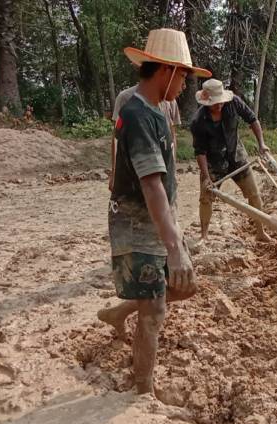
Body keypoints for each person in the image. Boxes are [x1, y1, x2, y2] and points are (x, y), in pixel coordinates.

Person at [96, 28, 210, 399]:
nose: (186, 86)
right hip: (137, 222)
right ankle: (142, 391)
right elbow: (150, 185)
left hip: (157, 220)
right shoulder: (136, 114)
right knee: (156, 310)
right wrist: (175, 245)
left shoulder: (156, 111)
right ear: (166, 71)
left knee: (184, 286)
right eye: (184, 78)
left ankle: (119, 312)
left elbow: (162, 182)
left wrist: (174, 232)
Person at [190, 78, 271, 242]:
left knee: (254, 194)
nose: (219, 105)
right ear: (206, 102)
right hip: (213, 162)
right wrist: (206, 176)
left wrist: (261, 144)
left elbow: (252, 119)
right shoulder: (198, 121)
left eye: (220, 102)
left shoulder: (234, 102)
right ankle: (204, 236)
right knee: (206, 198)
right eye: (214, 103)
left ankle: (260, 232)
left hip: (236, 155)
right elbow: (200, 152)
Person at [109, 77, 183, 192]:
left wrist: (173, 171)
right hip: (134, 171)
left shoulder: (170, 101)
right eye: (181, 76)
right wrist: (114, 173)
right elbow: (116, 139)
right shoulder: (125, 98)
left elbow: (172, 138)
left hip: (163, 170)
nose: (184, 85)